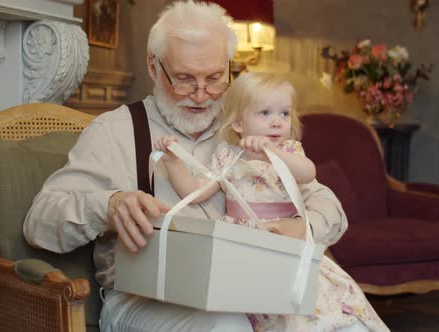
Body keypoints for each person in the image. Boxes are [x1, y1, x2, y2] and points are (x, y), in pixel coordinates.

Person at [23, 1, 356, 331]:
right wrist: (108, 206)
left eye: (215, 78)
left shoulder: (246, 126)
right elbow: (39, 222)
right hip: (146, 301)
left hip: (251, 288)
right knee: (227, 326)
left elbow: (330, 208)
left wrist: (303, 227)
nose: (201, 95)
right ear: (154, 68)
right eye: (183, 79)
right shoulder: (116, 131)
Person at [154, 72, 389, 332]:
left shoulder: (288, 151)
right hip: (242, 246)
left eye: (284, 114)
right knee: (259, 307)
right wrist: (173, 163)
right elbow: (196, 190)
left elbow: (307, 172)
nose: (277, 122)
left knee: (314, 303)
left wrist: (271, 153)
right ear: (238, 124)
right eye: (264, 113)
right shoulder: (228, 156)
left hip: (284, 243)